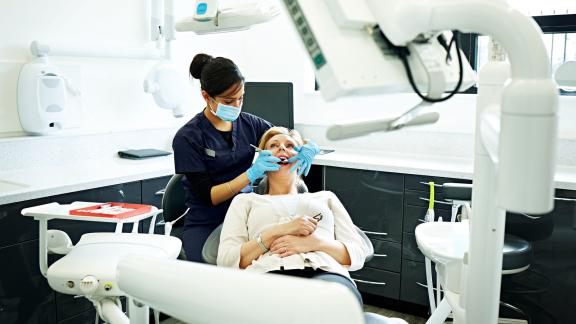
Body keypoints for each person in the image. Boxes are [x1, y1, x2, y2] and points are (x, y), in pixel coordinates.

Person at [172, 54, 320, 262]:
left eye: (241, 98)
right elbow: (209, 196)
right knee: (211, 276)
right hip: (208, 220)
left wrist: (304, 145)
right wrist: (250, 175)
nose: (236, 105)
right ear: (206, 97)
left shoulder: (251, 124)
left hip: (248, 215)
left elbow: (280, 137)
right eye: (228, 101)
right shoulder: (188, 137)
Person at [217, 127, 368, 305]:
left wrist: (315, 243)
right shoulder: (245, 201)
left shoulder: (326, 198)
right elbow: (226, 261)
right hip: (267, 273)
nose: (282, 148)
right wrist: (279, 231)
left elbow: (357, 255)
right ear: (262, 157)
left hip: (326, 272)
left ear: (302, 154)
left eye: (290, 145)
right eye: (273, 145)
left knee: (330, 305)